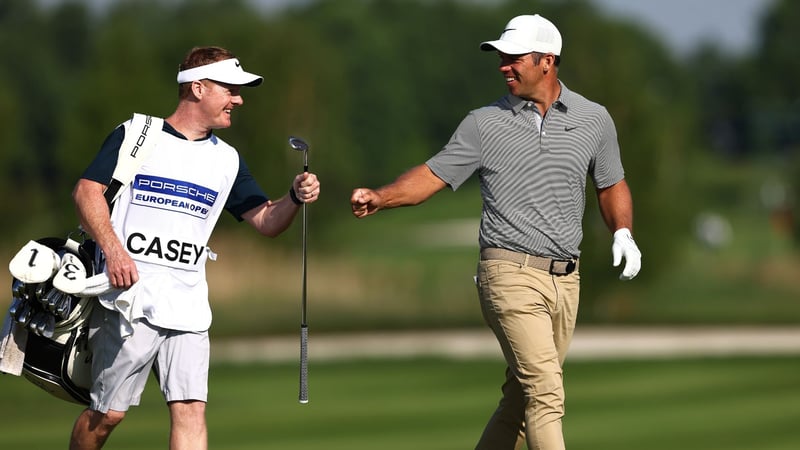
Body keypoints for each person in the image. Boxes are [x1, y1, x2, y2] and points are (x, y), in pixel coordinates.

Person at [350, 14, 641, 450]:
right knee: (546, 393)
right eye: (501, 57)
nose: (503, 65)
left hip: (567, 280)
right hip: (508, 274)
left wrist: (622, 232)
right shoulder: (483, 123)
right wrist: (382, 196)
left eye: (514, 57)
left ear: (547, 61)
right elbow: (432, 175)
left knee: (521, 401)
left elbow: (611, 182)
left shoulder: (594, 119)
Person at [69, 46, 321, 450]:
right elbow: (86, 193)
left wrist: (292, 196)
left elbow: (266, 221)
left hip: (188, 305)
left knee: (191, 409)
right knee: (107, 415)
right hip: (128, 299)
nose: (238, 100)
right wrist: (114, 251)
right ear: (198, 88)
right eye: (230, 89)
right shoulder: (138, 134)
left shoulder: (228, 160)